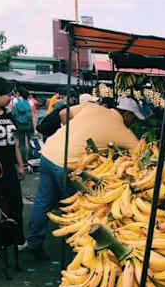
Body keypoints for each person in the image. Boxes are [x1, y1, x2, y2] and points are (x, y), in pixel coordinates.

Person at [24, 97, 142, 259]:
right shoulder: (123, 131)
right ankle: (77, 248)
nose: (133, 121)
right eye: (134, 118)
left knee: (43, 202)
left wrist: (71, 133)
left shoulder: (91, 107)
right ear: (128, 115)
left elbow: (64, 113)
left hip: (48, 153)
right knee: (79, 208)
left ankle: (34, 242)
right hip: (68, 165)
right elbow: (140, 155)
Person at [0, 77, 26, 246]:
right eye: (6, 94)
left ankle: (16, 240)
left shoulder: (10, 116)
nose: (9, 98)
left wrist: (20, 165)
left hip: (9, 169)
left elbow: (15, 143)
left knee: (15, 204)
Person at [11, 87, 35, 166]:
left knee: (21, 144)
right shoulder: (29, 102)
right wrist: (34, 127)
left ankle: (23, 161)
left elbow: (12, 113)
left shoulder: (15, 101)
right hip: (28, 124)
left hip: (19, 124)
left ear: (18, 93)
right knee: (29, 142)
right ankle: (31, 159)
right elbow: (32, 115)